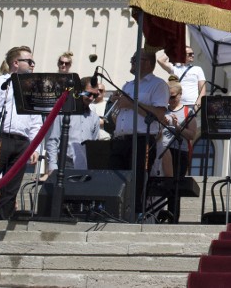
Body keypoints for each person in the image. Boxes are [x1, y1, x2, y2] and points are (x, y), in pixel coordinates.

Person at [0, 46, 43, 220]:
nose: (32, 65)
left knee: (11, 188)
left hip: (21, 141)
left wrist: (35, 147)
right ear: (16, 63)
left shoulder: (31, 88)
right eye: (29, 61)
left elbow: (36, 121)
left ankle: (2, 222)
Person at [109, 50, 169, 214]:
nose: (132, 62)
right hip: (120, 139)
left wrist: (131, 103)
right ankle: (115, 212)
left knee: (136, 182)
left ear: (148, 62)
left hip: (142, 140)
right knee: (115, 180)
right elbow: (118, 114)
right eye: (132, 59)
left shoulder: (158, 85)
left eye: (135, 59)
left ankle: (133, 214)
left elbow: (159, 114)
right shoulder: (128, 85)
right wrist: (116, 104)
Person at [44, 77, 100, 175]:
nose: (91, 98)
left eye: (94, 95)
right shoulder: (63, 112)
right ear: (79, 91)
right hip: (65, 163)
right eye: (88, 94)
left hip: (85, 166)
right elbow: (52, 139)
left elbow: (94, 144)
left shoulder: (94, 117)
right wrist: (52, 165)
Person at [159, 80, 198, 222]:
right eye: (167, 97)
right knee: (159, 184)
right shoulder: (162, 109)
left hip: (178, 152)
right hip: (161, 151)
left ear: (180, 95)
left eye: (173, 96)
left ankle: (173, 217)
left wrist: (177, 127)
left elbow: (192, 135)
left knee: (175, 187)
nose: (170, 100)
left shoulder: (188, 112)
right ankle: (158, 214)